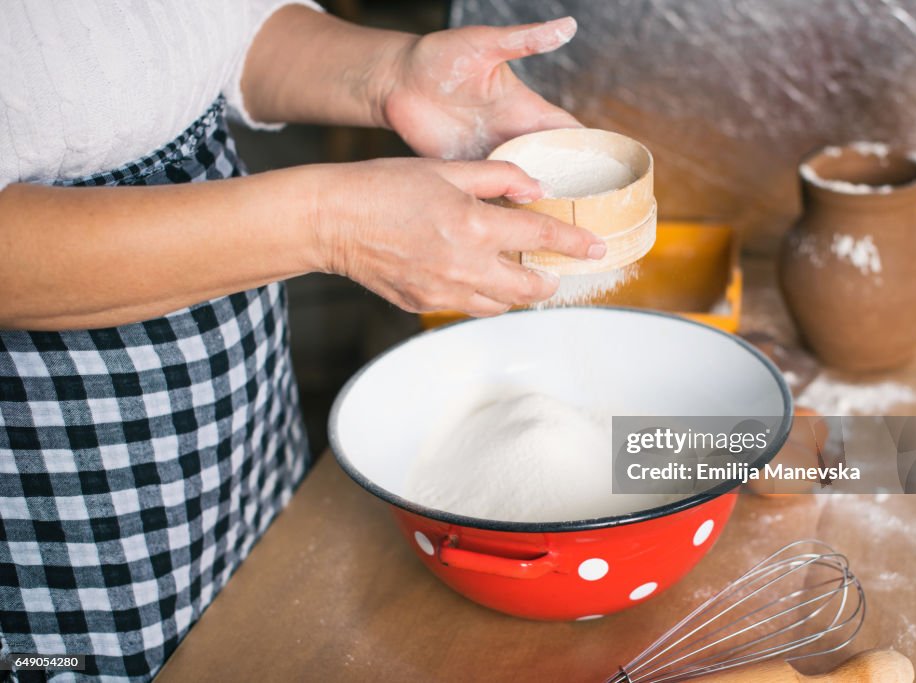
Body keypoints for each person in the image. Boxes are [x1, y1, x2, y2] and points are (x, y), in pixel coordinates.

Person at [0, 2, 603, 679]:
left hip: (237, 430)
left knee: (248, 633)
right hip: (44, 480)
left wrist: (392, 73)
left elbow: (203, 30)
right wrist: (328, 222)